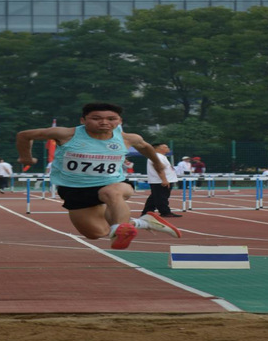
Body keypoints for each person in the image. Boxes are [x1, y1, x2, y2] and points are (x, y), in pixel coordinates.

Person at [17, 102, 181, 250]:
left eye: (111, 119)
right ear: (83, 120)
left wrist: (157, 163)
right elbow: (24, 135)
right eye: (96, 118)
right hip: (74, 189)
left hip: (113, 183)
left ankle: (120, 230)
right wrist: (26, 158)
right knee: (96, 233)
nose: (104, 122)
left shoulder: (128, 138)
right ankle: (142, 222)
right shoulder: (66, 134)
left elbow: (145, 147)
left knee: (111, 193)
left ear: (119, 121)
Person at [140, 143, 182, 219]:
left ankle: (147, 211)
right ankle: (165, 212)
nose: (168, 148)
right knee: (162, 197)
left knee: (154, 197)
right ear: (157, 148)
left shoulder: (161, 156)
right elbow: (158, 168)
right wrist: (164, 180)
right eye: (165, 147)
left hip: (162, 180)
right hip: (160, 181)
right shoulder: (157, 157)